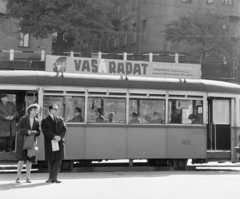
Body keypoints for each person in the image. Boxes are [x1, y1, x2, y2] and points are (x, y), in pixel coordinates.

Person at [41, 104, 67, 183]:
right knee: (50, 160)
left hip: (59, 141)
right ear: (50, 110)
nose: (57, 111)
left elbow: (64, 129)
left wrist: (60, 137)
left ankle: (54, 177)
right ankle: (51, 177)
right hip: (50, 142)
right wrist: (54, 136)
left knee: (58, 160)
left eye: (57, 109)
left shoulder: (60, 119)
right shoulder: (44, 121)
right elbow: (45, 131)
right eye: (55, 109)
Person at [15, 104, 40, 183]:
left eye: (37, 110)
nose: (36, 112)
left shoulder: (37, 121)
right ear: (30, 111)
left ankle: (28, 177)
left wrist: (35, 132)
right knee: (22, 159)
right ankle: (18, 177)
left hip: (32, 142)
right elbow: (18, 129)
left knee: (30, 159)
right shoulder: (23, 119)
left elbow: (39, 132)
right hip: (22, 141)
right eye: (34, 110)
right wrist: (27, 131)